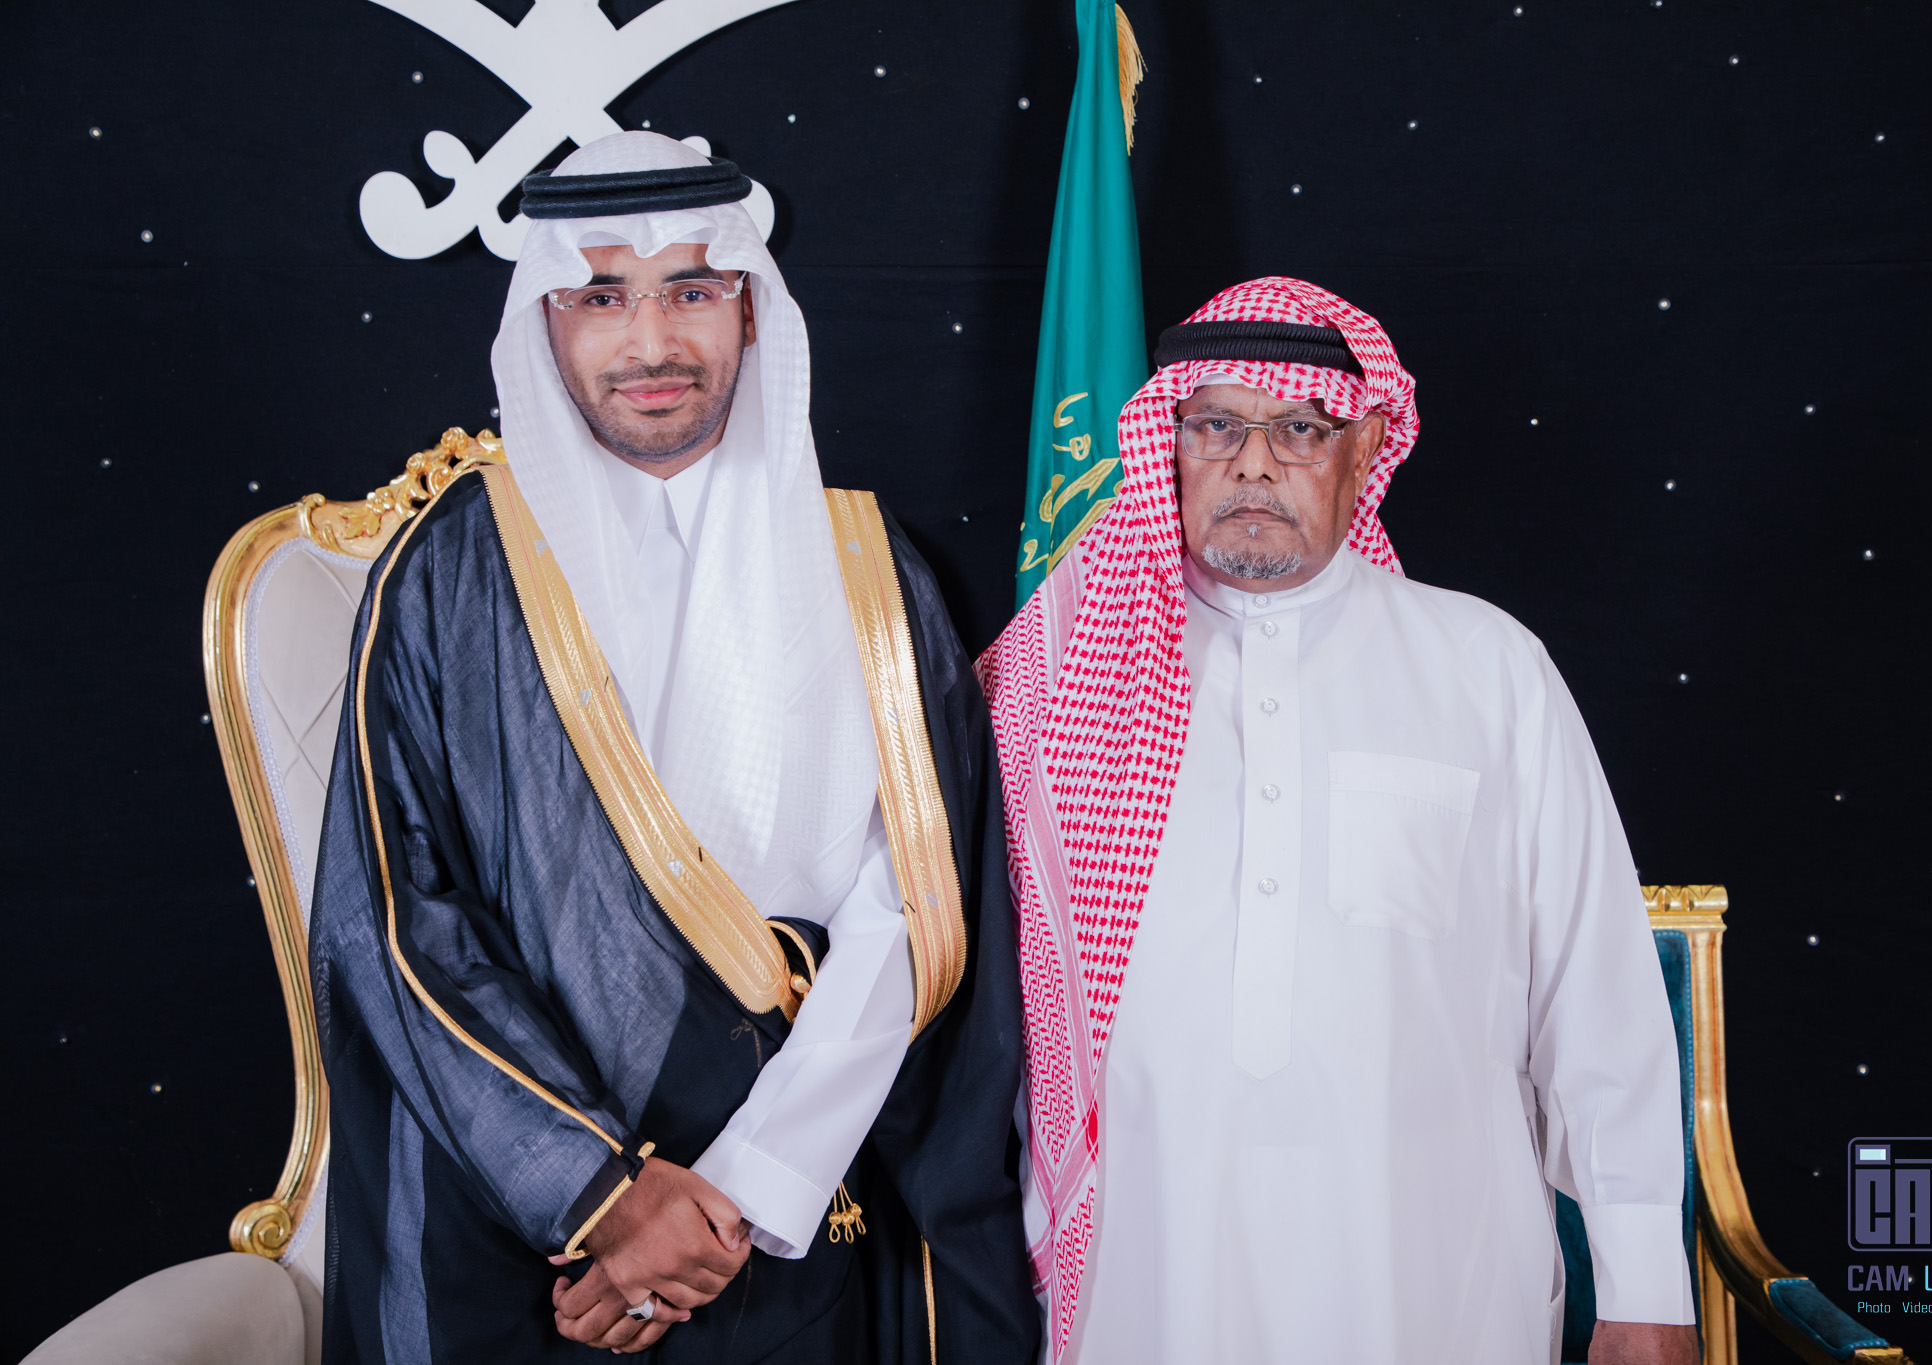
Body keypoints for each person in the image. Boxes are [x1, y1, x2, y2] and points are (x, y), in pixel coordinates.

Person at [311, 131, 1035, 1364]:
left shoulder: (871, 571)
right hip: (525, 1212)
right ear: (545, 322)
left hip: (809, 1180)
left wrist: (747, 1186)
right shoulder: (447, 578)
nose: (650, 342)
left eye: (690, 291)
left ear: (750, 311)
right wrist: (600, 1196)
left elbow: (916, 910)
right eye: (601, 298)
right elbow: (390, 918)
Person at [977, 277, 1699, 1364]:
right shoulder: (1056, 678)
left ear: (1363, 450)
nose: (1253, 464)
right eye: (1217, 427)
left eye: (1299, 430)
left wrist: (1643, 1284)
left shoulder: (1486, 666)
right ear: (1167, 443)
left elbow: (1594, 996)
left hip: (1429, 1267)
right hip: (1146, 1265)